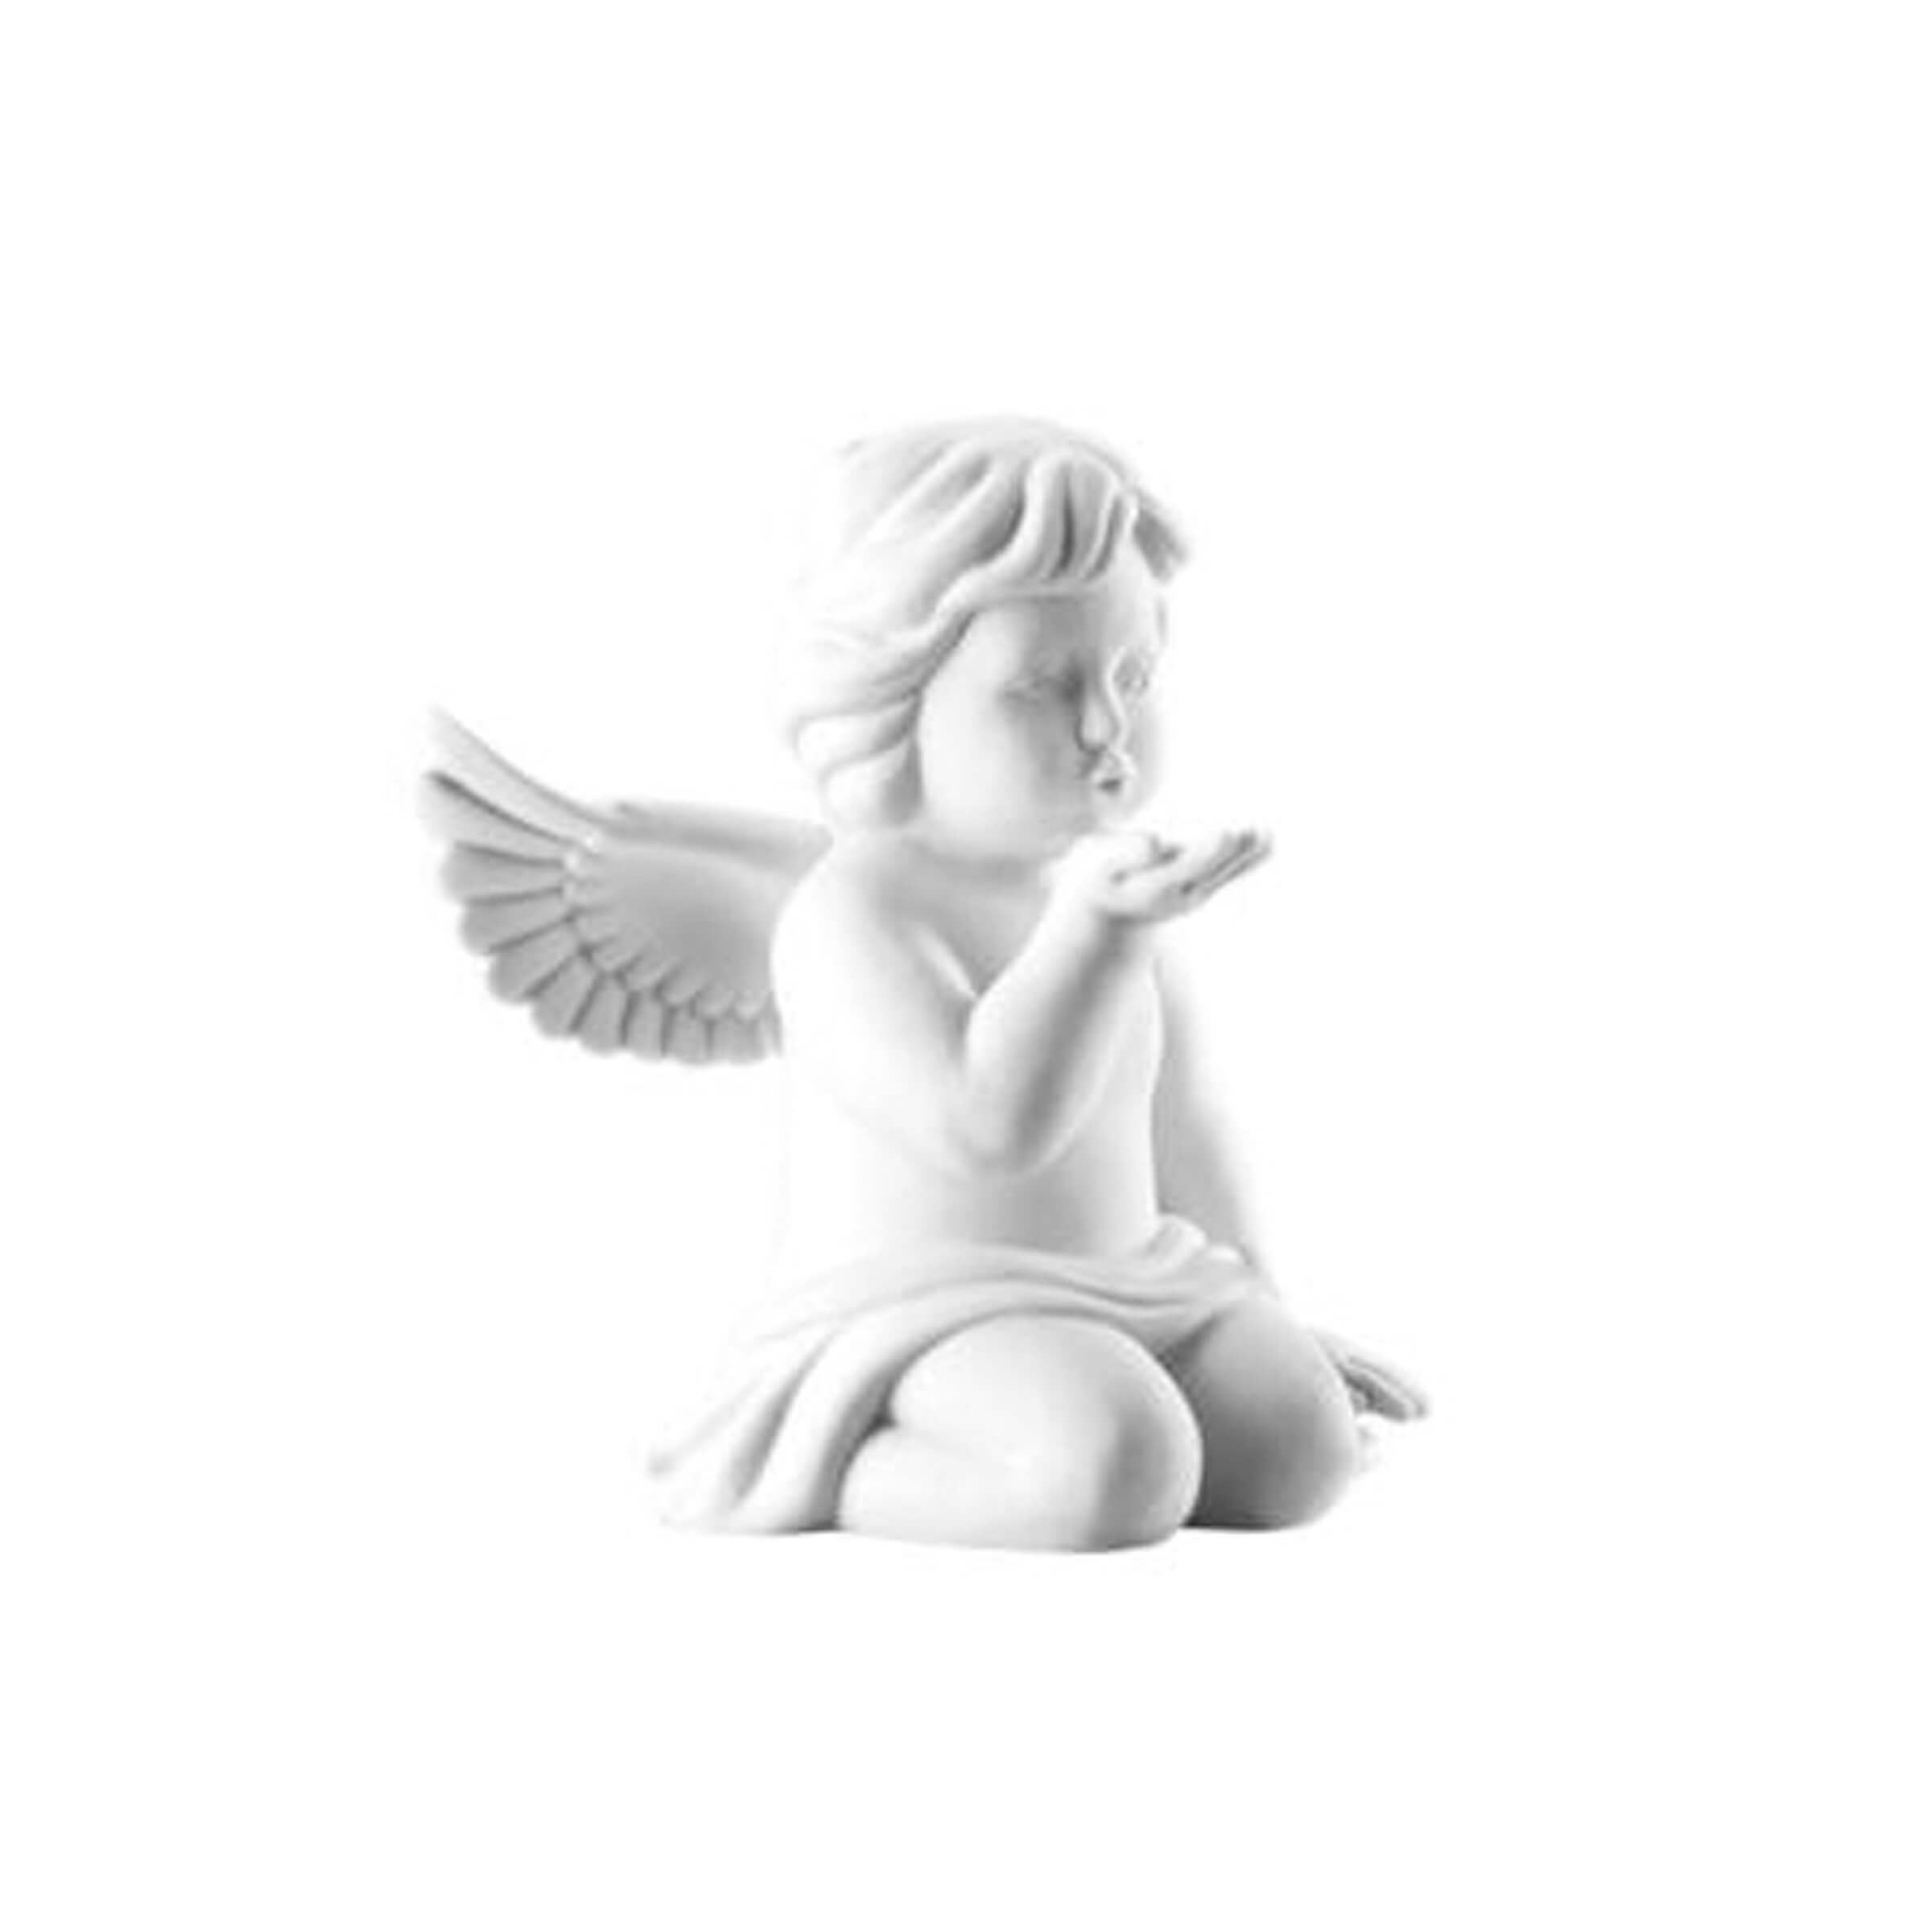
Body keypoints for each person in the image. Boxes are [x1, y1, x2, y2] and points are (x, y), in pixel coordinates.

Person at [649, 419, 1425, 1547]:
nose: (1107, 725)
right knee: (1116, 1466)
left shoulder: (1101, 901)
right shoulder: (853, 914)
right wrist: (1095, 935)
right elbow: (984, 1127)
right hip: (927, 1307)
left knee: (1300, 1445)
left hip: (1131, 1276)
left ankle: (1175, 1394)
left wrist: (1267, 1304)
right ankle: (839, 1464)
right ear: (891, 704)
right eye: (1043, 685)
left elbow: (1181, 1132)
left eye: (1132, 675)